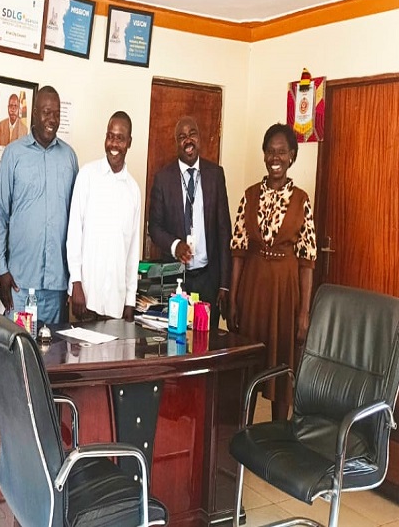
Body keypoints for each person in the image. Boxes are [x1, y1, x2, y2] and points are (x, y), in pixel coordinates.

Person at [228, 123, 316, 421]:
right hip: (253, 291)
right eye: (269, 151)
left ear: (292, 156)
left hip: (285, 293)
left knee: (281, 364)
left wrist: (304, 312)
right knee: (249, 364)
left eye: (281, 152)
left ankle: (279, 437)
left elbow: (307, 261)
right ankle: (244, 430)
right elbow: (238, 251)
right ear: (263, 155)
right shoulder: (250, 196)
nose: (274, 157)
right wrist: (233, 297)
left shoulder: (302, 200)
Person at [0, 85, 79, 324]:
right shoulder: (13, 154)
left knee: (52, 357)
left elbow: (76, 220)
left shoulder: (69, 158)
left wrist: (75, 277)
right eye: (46, 112)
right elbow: (1, 213)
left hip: (56, 286)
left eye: (56, 113)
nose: (52, 119)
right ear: (33, 113)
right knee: (18, 355)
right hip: (20, 284)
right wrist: (2, 269)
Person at [148, 115, 232, 329]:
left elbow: (224, 230)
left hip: (208, 278)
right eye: (182, 137)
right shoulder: (163, 178)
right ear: (176, 143)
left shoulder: (215, 175)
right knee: (176, 341)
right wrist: (175, 246)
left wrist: (224, 284)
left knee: (207, 340)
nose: (188, 140)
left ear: (200, 138)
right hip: (176, 278)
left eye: (192, 134)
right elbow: (154, 226)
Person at [67, 111, 141, 321]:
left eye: (120, 138)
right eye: (110, 136)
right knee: (77, 355)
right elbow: (74, 233)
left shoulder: (133, 190)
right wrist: (76, 283)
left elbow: (132, 249)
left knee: (115, 355)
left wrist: (130, 300)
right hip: (85, 299)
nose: (114, 144)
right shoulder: (87, 176)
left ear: (129, 142)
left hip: (116, 305)